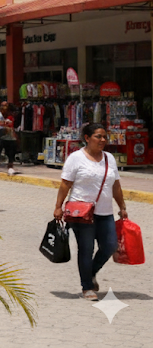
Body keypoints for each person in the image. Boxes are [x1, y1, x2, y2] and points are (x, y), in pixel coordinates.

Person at [54, 123, 127, 301]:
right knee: (86, 249)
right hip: (81, 213)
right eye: (98, 136)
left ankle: (90, 272)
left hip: (105, 212)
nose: (103, 140)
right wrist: (58, 206)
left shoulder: (109, 158)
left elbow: (116, 185)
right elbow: (65, 184)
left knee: (110, 245)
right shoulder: (76, 158)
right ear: (87, 138)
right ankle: (87, 287)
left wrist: (122, 207)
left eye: (104, 137)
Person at [0, 101, 18, 175]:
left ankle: (10, 165)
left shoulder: (10, 115)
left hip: (9, 135)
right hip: (1, 134)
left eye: (6, 105)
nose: (4, 107)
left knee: (11, 149)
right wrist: (1, 128)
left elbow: (12, 125)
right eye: (3, 105)